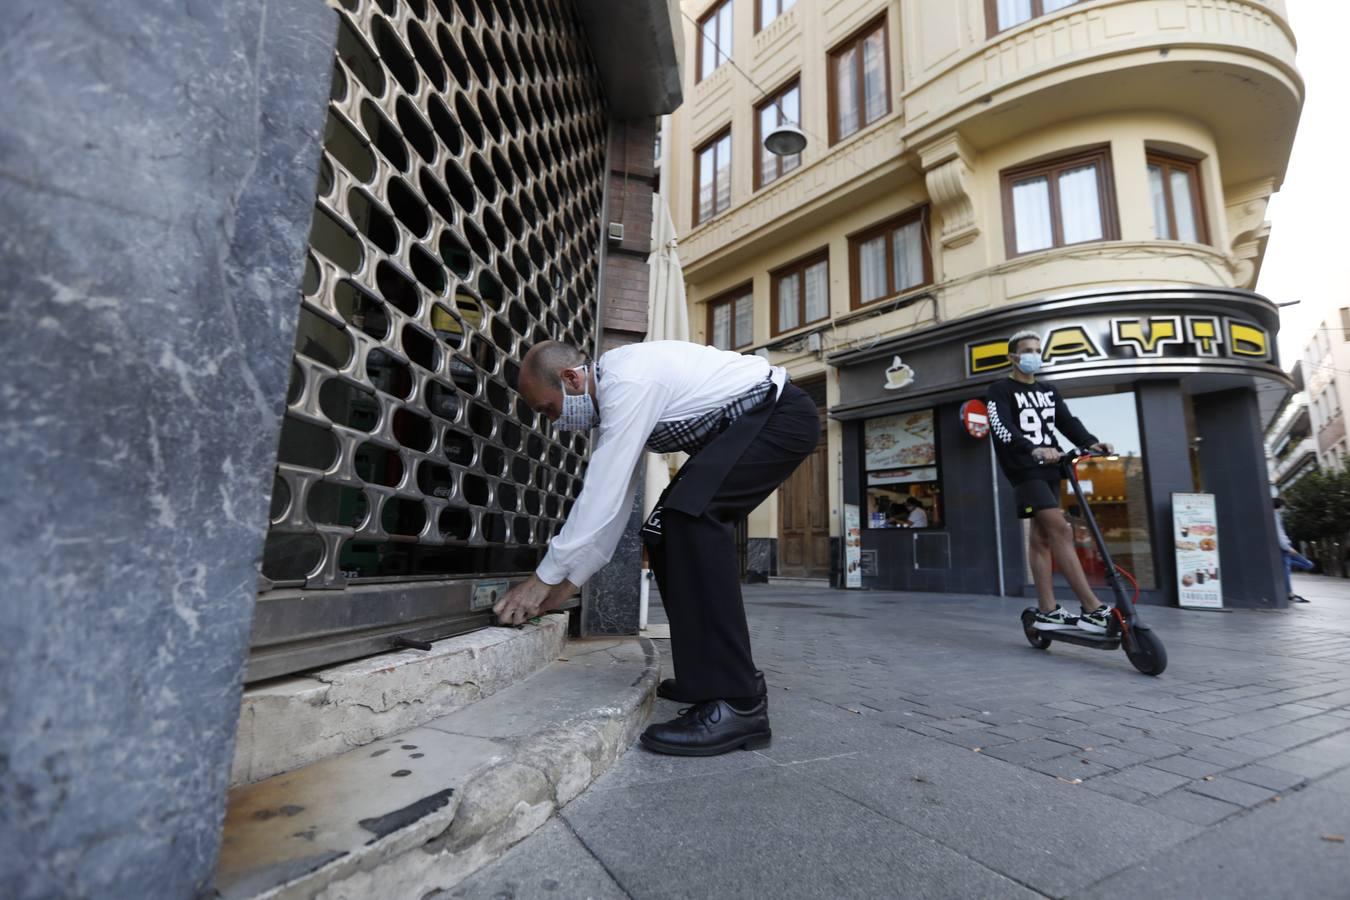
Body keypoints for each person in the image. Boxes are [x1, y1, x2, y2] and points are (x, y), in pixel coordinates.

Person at [491, 340, 819, 756]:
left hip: (778, 417)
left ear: (572, 379)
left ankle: (739, 703)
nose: (554, 422)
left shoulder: (627, 380)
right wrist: (569, 582)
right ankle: (707, 677)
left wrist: (542, 580)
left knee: (692, 522)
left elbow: (602, 495)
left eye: (548, 409)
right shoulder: (617, 389)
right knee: (665, 531)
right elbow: (618, 504)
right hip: (755, 423)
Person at [986, 330, 1115, 633]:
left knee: (1042, 537)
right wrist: (1031, 448)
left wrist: (1091, 442)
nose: (1033, 355)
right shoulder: (1000, 390)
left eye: (1037, 350)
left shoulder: (1048, 390)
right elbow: (1001, 427)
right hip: (1024, 468)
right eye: (1027, 350)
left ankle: (1047, 611)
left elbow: (1066, 421)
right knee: (1061, 528)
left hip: (1052, 468)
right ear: (1013, 357)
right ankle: (1092, 608)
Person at [1272, 497, 1313, 603]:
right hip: (1285, 547)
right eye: (1283, 506)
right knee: (1307, 565)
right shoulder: (1274, 516)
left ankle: (1290, 593)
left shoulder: (1276, 516)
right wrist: (1288, 547)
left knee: (1289, 568)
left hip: (1284, 547)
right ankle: (1290, 593)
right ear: (1280, 506)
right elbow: (1279, 534)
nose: (1284, 508)